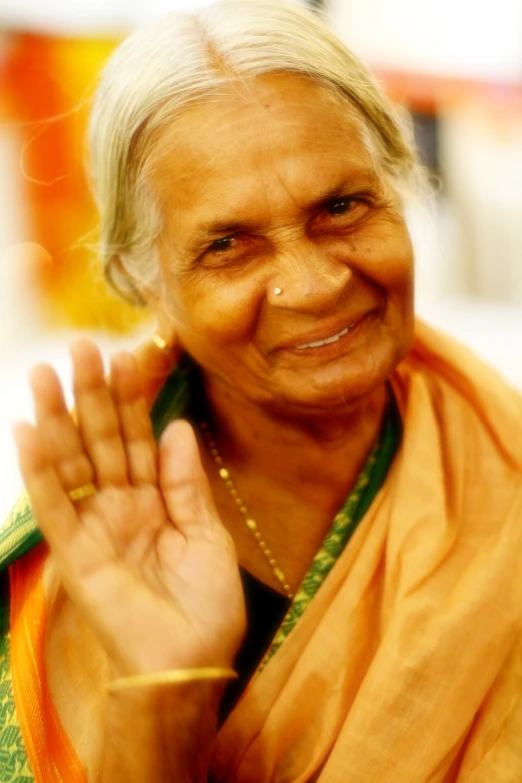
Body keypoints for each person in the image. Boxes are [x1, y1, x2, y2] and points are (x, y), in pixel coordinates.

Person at [1, 1, 521, 780]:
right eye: (228, 246)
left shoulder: (502, 464)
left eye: (342, 206)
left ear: (402, 188)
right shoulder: (83, 558)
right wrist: (160, 693)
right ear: (144, 281)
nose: (314, 286)